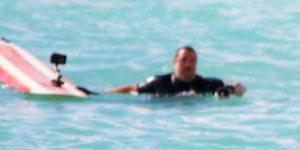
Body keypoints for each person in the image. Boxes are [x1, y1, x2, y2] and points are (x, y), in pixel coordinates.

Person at [103, 45, 245, 97]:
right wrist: (101, 94)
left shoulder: (209, 84)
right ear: (174, 62)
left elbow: (239, 88)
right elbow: (131, 88)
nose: (188, 64)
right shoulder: (159, 83)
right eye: (184, 60)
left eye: (192, 60)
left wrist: (235, 90)